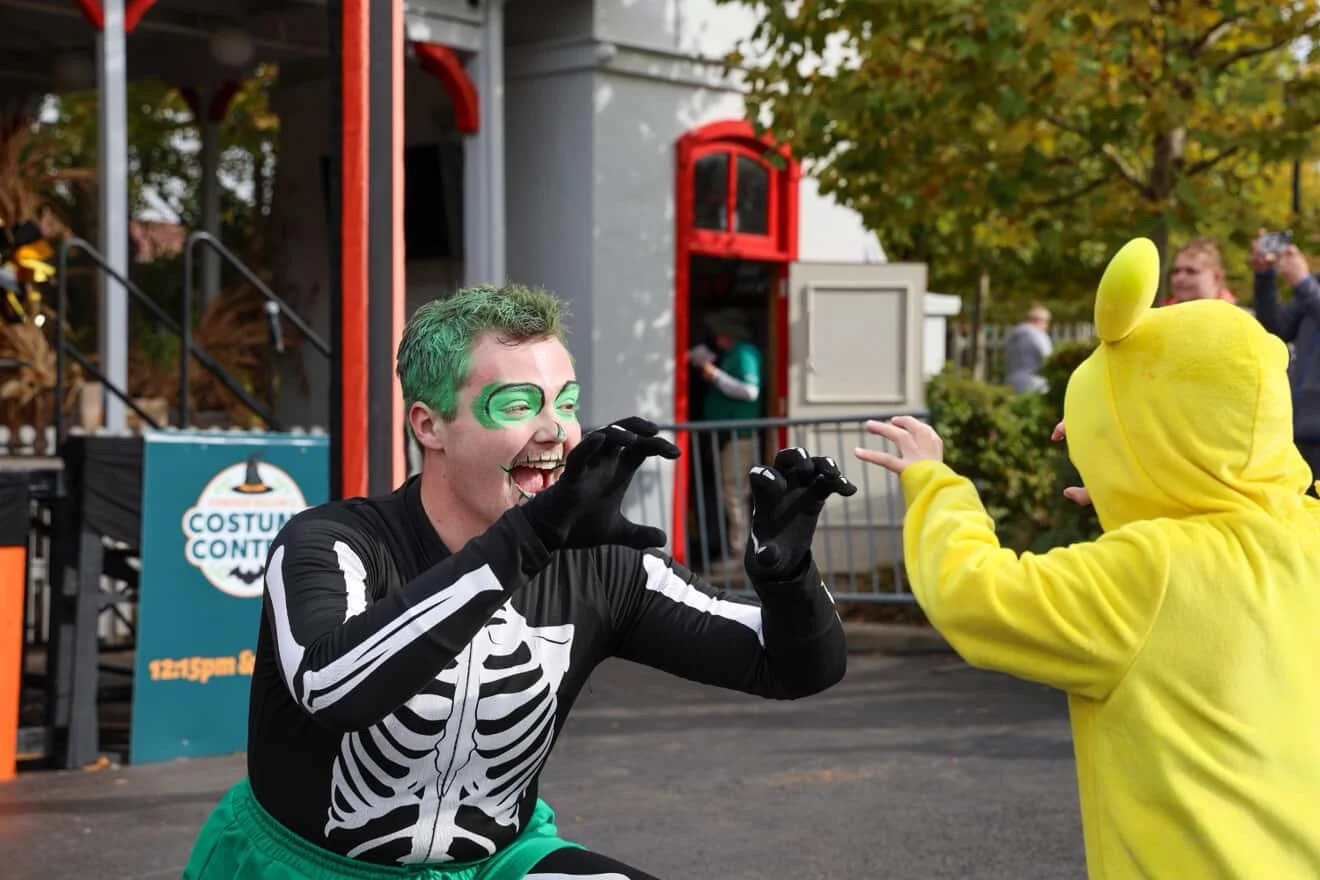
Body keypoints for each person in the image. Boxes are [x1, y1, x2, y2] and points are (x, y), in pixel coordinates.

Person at [184, 283, 856, 880]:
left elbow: (793, 667)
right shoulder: (331, 543)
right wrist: (528, 540)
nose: (556, 431)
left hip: (498, 862)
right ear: (429, 425)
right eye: (517, 404)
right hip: (300, 865)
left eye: (566, 403)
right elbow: (333, 687)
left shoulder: (598, 562)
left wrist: (789, 576)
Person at [856, 238, 1320, 878]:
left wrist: (935, 484)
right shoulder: (1307, 531)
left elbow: (975, 593)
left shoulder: (1150, 568)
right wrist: (1136, 478)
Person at [687, 310, 762, 565]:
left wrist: (716, 376)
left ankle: (739, 553)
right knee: (733, 492)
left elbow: (750, 391)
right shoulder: (736, 354)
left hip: (738, 437)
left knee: (734, 493)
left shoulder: (744, 354)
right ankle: (738, 550)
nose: (715, 335)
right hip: (731, 437)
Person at [1250, 231, 1320, 491]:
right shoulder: (1314, 286)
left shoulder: (1310, 288)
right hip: (1298, 430)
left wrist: (1302, 283)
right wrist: (1264, 277)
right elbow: (1275, 329)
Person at [1161, 236, 1239, 306]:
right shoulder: (1159, 317)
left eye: (1191, 271)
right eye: (1175, 271)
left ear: (1216, 278)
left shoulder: (1242, 319)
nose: (1180, 278)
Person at [1001, 303, 1052, 393]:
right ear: (1038, 320)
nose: (1047, 325)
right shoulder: (1038, 334)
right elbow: (1047, 357)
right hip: (1034, 382)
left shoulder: (1013, 334)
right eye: (1046, 321)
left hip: (1012, 381)